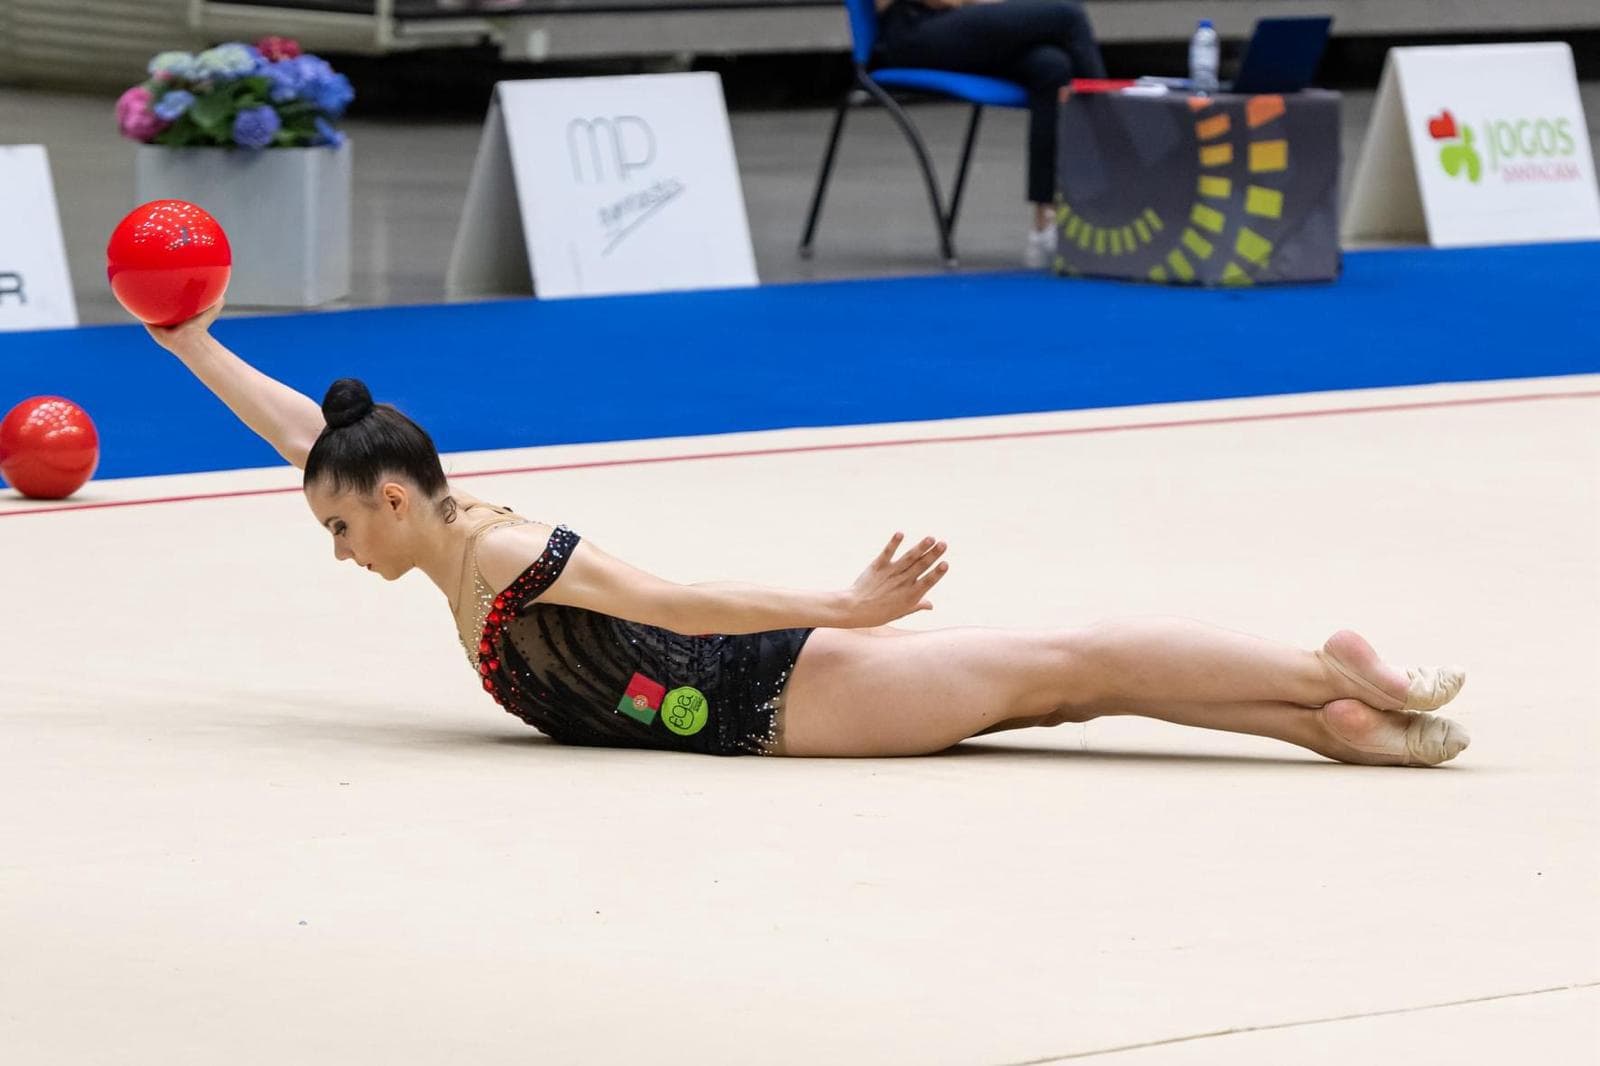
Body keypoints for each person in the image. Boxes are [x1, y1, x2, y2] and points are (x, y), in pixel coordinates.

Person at [142, 304, 1471, 766]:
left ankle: (1336, 670)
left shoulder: (496, 548)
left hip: (783, 690)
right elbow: (295, 434)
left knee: (1074, 666)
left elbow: (676, 594)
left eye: (335, 527)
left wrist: (848, 607)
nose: (334, 550)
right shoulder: (431, 516)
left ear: (392, 498)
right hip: (782, 686)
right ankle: (1338, 720)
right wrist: (193, 342)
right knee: (1073, 689)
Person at [873, 0, 1108, 267]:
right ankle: (1115, 147)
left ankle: (1045, 223)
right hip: (913, 31)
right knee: (1069, 15)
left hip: (960, 24)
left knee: (1051, 67)